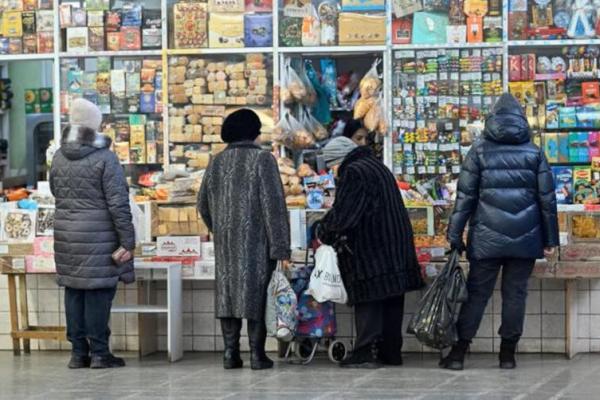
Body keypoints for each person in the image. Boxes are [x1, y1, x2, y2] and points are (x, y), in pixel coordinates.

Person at [442, 93, 559, 371]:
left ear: (491, 120)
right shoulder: (534, 152)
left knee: (476, 295)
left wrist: (454, 235)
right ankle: (508, 355)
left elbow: (465, 199)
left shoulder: (479, 151)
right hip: (526, 239)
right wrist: (551, 239)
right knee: (515, 295)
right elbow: (547, 200)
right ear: (522, 121)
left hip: (486, 239)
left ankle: (458, 354)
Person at [198, 109, 291, 370]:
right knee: (257, 295)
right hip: (257, 242)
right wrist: (280, 246)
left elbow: (202, 204)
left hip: (226, 243)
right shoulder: (263, 160)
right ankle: (257, 355)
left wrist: (220, 229)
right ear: (253, 132)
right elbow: (274, 206)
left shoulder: (216, 161)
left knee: (228, 294)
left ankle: (230, 353)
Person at [317, 143, 424, 369]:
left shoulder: (354, 172)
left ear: (338, 161)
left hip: (373, 247)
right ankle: (391, 352)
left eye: (331, 167)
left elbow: (345, 214)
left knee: (370, 297)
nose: (333, 172)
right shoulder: (376, 166)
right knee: (392, 296)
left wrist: (323, 230)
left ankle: (366, 351)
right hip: (395, 245)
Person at [50, 98, 135, 369]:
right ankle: (99, 352)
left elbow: (55, 190)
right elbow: (118, 203)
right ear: (94, 126)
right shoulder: (105, 158)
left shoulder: (59, 156)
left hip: (66, 236)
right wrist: (127, 239)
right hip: (99, 236)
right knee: (98, 292)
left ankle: (78, 353)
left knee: (74, 291)